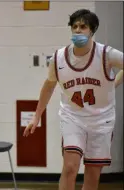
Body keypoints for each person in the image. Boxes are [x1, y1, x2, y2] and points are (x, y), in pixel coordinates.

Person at [23, 9, 123, 190]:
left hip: (102, 119)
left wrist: (113, 83)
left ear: (92, 30)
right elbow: (49, 85)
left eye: (83, 26)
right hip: (73, 118)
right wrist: (36, 116)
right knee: (70, 168)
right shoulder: (59, 57)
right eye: (74, 26)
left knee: (92, 176)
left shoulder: (107, 54)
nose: (78, 30)